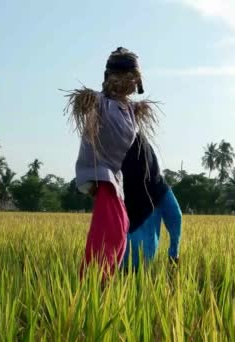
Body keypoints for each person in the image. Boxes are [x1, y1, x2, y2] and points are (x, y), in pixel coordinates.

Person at [65, 47, 158, 281]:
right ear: (111, 77)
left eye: (132, 79)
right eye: (124, 77)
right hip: (101, 174)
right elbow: (89, 102)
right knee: (111, 230)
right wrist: (85, 100)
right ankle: (96, 280)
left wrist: (139, 110)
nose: (128, 82)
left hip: (115, 177)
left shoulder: (128, 109)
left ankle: (104, 278)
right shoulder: (101, 102)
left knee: (122, 226)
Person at [120, 133, 182, 271]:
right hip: (145, 264)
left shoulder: (117, 185)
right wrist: (174, 253)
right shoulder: (158, 187)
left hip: (116, 263)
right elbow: (176, 215)